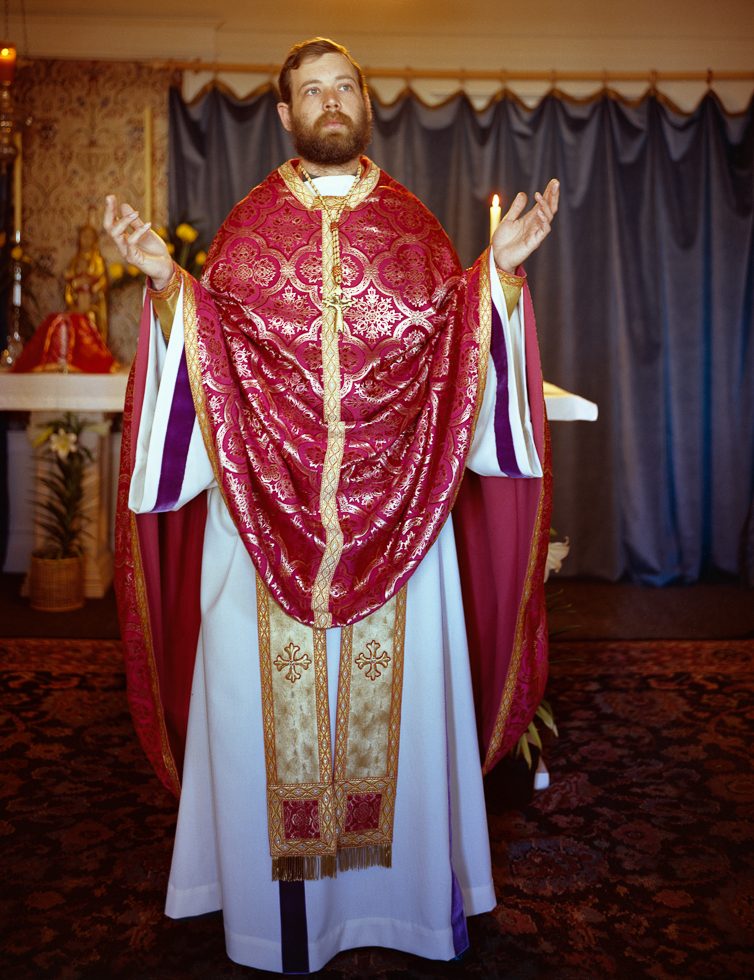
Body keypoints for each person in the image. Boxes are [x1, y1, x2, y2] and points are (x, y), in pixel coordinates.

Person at [104, 37, 558, 974]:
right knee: (256, 715)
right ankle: (268, 921)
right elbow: (212, 352)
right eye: (310, 91)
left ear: (365, 100)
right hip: (260, 532)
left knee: (407, 723)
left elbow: (452, 354)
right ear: (285, 116)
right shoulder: (245, 231)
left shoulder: (416, 229)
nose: (330, 102)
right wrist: (163, 286)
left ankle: (402, 909)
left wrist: (498, 278)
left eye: (343, 85)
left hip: (401, 530)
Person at [64, 220, 109, 341]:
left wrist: (91, 288)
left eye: (90, 237)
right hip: (77, 301)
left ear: (94, 240)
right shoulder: (74, 261)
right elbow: (69, 283)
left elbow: (102, 281)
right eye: (84, 236)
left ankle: (93, 348)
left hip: (92, 302)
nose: (86, 240)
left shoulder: (97, 260)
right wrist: (74, 292)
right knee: (70, 320)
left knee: (91, 318)